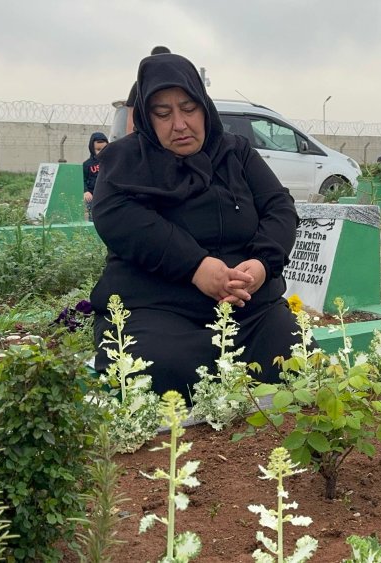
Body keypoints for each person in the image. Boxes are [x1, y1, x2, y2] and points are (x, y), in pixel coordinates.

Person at [90, 53, 301, 400]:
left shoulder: (236, 153)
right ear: (146, 117)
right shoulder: (125, 159)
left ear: (204, 107)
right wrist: (196, 267)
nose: (180, 124)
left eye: (189, 109)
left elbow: (278, 206)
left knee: (293, 353)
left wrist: (262, 264)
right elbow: (117, 216)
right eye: (163, 113)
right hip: (157, 308)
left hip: (246, 309)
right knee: (158, 370)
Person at [124, 46, 172, 136]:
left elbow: (130, 117)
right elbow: (131, 117)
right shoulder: (139, 85)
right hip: (146, 135)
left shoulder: (175, 86)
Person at [82, 132, 108, 220]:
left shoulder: (112, 162)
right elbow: (82, 179)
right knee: (94, 218)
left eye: (104, 149)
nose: (102, 152)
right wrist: (85, 191)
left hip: (107, 195)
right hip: (92, 196)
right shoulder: (87, 164)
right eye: (98, 149)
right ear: (92, 149)